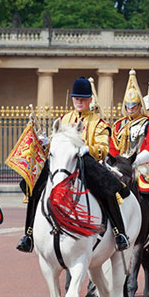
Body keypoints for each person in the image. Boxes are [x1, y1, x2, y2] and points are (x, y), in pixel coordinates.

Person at [16, 76, 130, 253]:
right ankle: (29, 234)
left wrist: (88, 148)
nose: (79, 102)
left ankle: (119, 232)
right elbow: (56, 144)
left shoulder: (98, 123)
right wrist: (46, 143)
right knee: (34, 185)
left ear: (90, 101)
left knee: (107, 187)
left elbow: (103, 149)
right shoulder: (64, 119)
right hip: (64, 163)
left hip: (86, 162)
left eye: (83, 99)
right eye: (77, 99)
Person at [108, 70, 149, 247]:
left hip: (142, 164)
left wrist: (136, 161)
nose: (131, 110)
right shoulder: (118, 124)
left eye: (134, 106)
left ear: (140, 106)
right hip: (121, 165)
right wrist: (117, 162)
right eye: (128, 106)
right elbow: (113, 145)